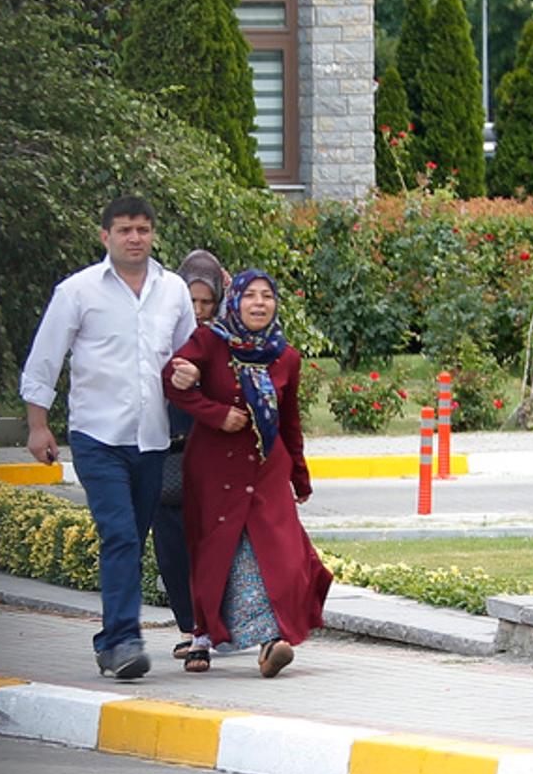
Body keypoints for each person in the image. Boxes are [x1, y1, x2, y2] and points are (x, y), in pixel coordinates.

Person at [19, 195, 197, 679]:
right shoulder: (77, 291)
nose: (134, 238)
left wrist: (190, 373)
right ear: (105, 236)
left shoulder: (173, 290)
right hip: (97, 436)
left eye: (143, 229)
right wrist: (38, 425)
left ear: (152, 233)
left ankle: (109, 641)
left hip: (153, 439)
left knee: (132, 540)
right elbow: (45, 358)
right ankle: (122, 642)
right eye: (124, 230)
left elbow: (190, 352)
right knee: (118, 533)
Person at [164, 269, 332, 678]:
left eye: (267, 296)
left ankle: (272, 640)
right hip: (214, 469)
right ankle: (206, 633)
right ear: (235, 301)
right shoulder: (210, 341)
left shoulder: (285, 356)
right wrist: (216, 414)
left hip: (265, 468)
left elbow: (289, 421)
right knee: (218, 552)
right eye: (250, 295)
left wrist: (300, 476)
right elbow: (173, 382)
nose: (259, 303)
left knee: (278, 555)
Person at [161, 250, 230, 667]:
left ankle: (208, 628)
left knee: (212, 543)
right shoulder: (163, 331)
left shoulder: (225, 336)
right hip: (168, 452)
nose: (200, 311)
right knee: (171, 544)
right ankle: (188, 627)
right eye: (192, 302)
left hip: (212, 453)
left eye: (208, 302)